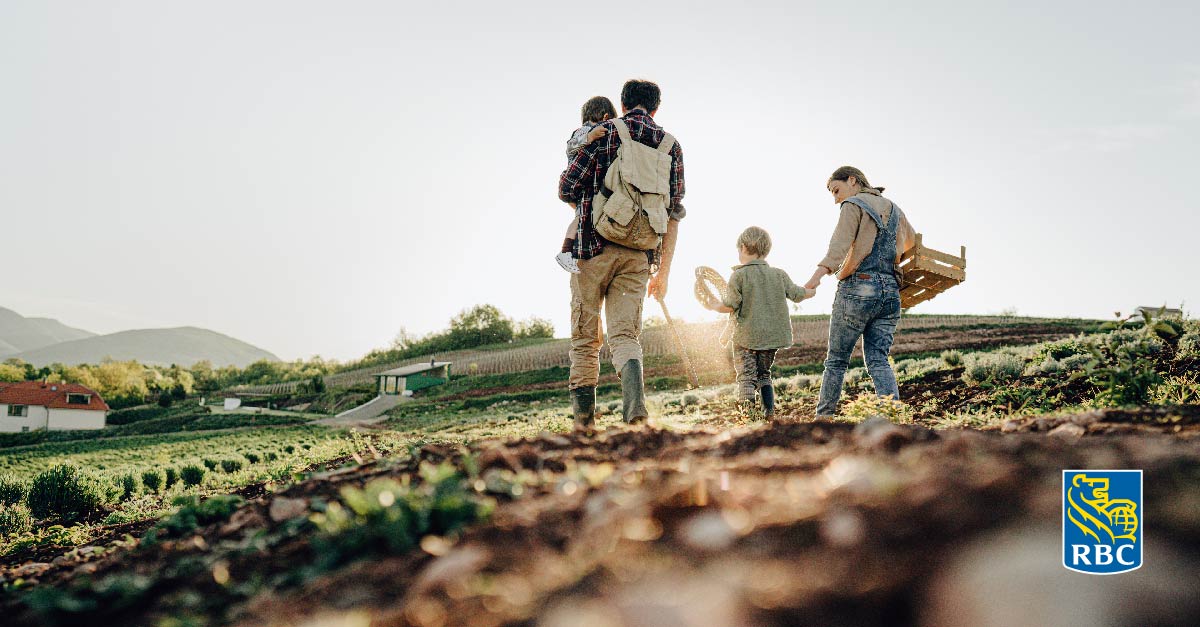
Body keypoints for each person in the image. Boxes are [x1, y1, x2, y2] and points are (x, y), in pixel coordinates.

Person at [558, 79, 685, 430]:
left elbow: (567, 186)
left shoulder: (605, 132)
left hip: (592, 247)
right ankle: (636, 414)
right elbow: (674, 214)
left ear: (622, 104)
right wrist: (664, 274)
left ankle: (584, 426)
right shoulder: (671, 146)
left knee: (585, 337)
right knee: (626, 336)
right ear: (656, 108)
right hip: (639, 255)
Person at [803, 166, 917, 418]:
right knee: (878, 359)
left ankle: (823, 419)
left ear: (852, 180)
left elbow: (838, 247)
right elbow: (911, 244)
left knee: (836, 361)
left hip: (859, 287)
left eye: (836, 190)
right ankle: (891, 416)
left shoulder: (853, 205)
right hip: (890, 291)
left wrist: (815, 279)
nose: (836, 198)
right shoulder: (894, 209)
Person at [702, 227, 812, 419]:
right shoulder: (779, 274)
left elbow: (730, 305)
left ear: (743, 247)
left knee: (746, 377)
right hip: (771, 339)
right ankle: (769, 412)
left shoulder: (739, 275)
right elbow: (797, 294)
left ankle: (748, 417)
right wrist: (811, 291)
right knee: (764, 374)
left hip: (746, 337)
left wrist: (713, 305)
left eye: (738, 250)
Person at [556, 96, 618, 274]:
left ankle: (569, 250)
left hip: (582, 185)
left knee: (581, 217)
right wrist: (590, 136)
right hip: (580, 186)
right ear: (606, 117)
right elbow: (571, 146)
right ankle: (566, 250)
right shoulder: (584, 131)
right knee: (580, 218)